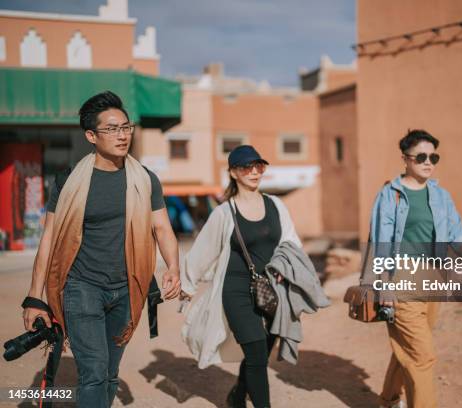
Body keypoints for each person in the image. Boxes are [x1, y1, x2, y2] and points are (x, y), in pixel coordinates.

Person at [21, 91, 181, 408]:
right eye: (112, 129)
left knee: (109, 372)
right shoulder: (69, 181)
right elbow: (50, 239)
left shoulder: (145, 179)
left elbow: (162, 227)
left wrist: (173, 268)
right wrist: (35, 298)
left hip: (127, 288)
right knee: (93, 371)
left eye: (126, 127)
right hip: (82, 287)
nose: (122, 135)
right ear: (91, 136)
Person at [180, 145, 328, 408]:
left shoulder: (276, 205)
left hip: (273, 290)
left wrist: (292, 274)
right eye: (246, 167)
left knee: (258, 354)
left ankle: (237, 397)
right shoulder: (225, 213)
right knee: (257, 352)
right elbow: (202, 252)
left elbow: (291, 244)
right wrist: (186, 287)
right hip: (236, 290)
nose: (254, 171)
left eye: (258, 165)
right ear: (234, 173)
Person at [369, 129, 462, 408]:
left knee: (407, 348)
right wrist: (384, 284)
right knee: (422, 355)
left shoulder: (440, 196)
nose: (428, 162)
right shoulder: (390, 196)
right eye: (421, 157)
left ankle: (388, 401)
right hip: (402, 279)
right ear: (405, 159)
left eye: (433, 156)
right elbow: (381, 241)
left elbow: (457, 232)